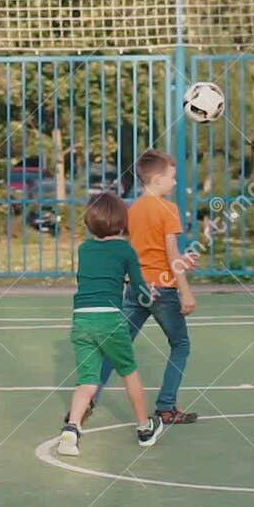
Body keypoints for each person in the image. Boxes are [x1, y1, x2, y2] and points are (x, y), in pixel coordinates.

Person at [87, 149, 199, 426]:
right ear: (158, 179)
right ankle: (166, 407)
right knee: (181, 345)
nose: (175, 182)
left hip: (137, 289)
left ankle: (89, 397)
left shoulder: (132, 210)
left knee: (117, 347)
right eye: (172, 177)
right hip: (163, 290)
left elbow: (141, 251)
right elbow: (170, 254)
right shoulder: (168, 209)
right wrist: (185, 290)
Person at [56, 191, 163, 456]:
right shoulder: (125, 250)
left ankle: (72, 428)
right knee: (128, 370)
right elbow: (138, 287)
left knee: (88, 380)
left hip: (81, 319)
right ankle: (144, 428)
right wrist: (149, 293)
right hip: (110, 320)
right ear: (123, 222)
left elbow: (89, 279)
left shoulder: (85, 249)